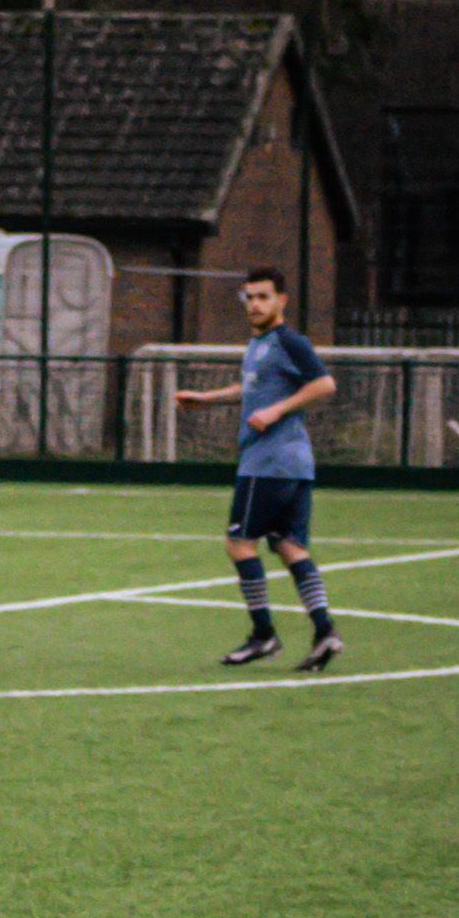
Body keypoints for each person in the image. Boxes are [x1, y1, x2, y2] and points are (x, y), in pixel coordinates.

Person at [175, 266, 343, 671]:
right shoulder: (258, 345)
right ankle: (325, 632)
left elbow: (324, 384)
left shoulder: (287, 341)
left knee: (239, 543)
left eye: (263, 296)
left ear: (282, 301)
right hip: (293, 465)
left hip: (268, 463)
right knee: (289, 546)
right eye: (249, 297)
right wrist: (207, 397)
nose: (254, 304)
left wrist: (277, 410)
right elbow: (249, 391)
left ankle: (263, 635)